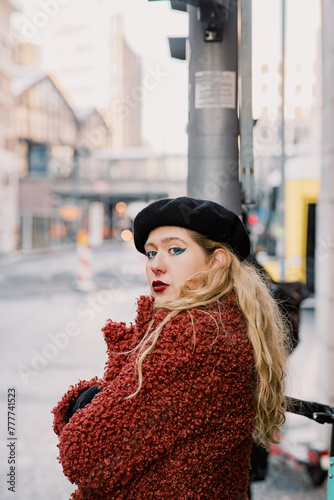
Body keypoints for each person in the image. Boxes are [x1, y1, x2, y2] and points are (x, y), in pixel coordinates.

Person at [52, 197, 289, 500]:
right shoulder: (221, 325)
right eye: (151, 252)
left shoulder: (194, 337)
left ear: (217, 260)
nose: (156, 265)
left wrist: (82, 402)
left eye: (175, 249)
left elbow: (83, 456)